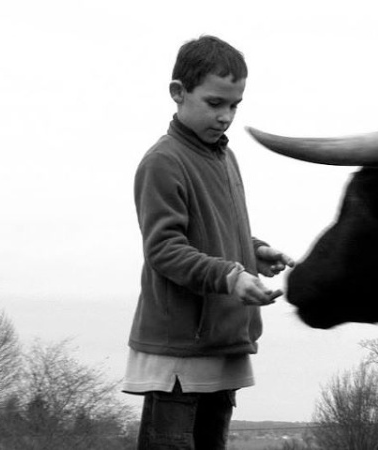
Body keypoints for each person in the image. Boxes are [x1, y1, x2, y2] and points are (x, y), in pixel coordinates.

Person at [122, 35, 294, 450]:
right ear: (178, 93)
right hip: (179, 349)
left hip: (222, 340)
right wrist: (232, 276)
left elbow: (215, 230)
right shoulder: (162, 161)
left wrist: (253, 251)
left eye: (235, 105)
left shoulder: (224, 156)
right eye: (215, 103)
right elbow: (165, 249)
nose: (226, 116)